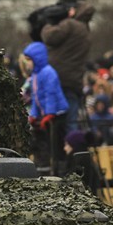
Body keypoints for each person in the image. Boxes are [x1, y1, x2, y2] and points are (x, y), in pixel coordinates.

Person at [41, 0, 95, 133]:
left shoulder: (70, 24)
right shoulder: (85, 29)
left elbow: (50, 37)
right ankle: (73, 148)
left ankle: (59, 150)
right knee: (72, 120)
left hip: (59, 79)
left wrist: (48, 24)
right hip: (74, 81)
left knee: (56, 119)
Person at [23, 41, 69, 175]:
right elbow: (36, 96)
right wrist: (34, 115)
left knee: (56, 144)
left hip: (57, 114)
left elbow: (51, 94)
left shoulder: (48, 73)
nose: (27, 63)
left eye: (29, 60)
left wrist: (49, 113)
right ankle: (52, 166)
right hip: (47, 115)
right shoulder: (36, 75)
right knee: (48, 142)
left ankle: (60, 169)